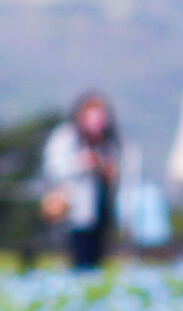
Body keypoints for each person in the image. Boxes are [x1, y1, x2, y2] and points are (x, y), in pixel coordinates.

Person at [39, 92, 121, 271]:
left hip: (100, 210)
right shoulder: (66, 136)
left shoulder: (106, 141)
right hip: (71, 208)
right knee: (77, 257)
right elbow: (53, 168)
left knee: (96, 257)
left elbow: (115, 170)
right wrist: (81, 162)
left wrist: (109, 170)